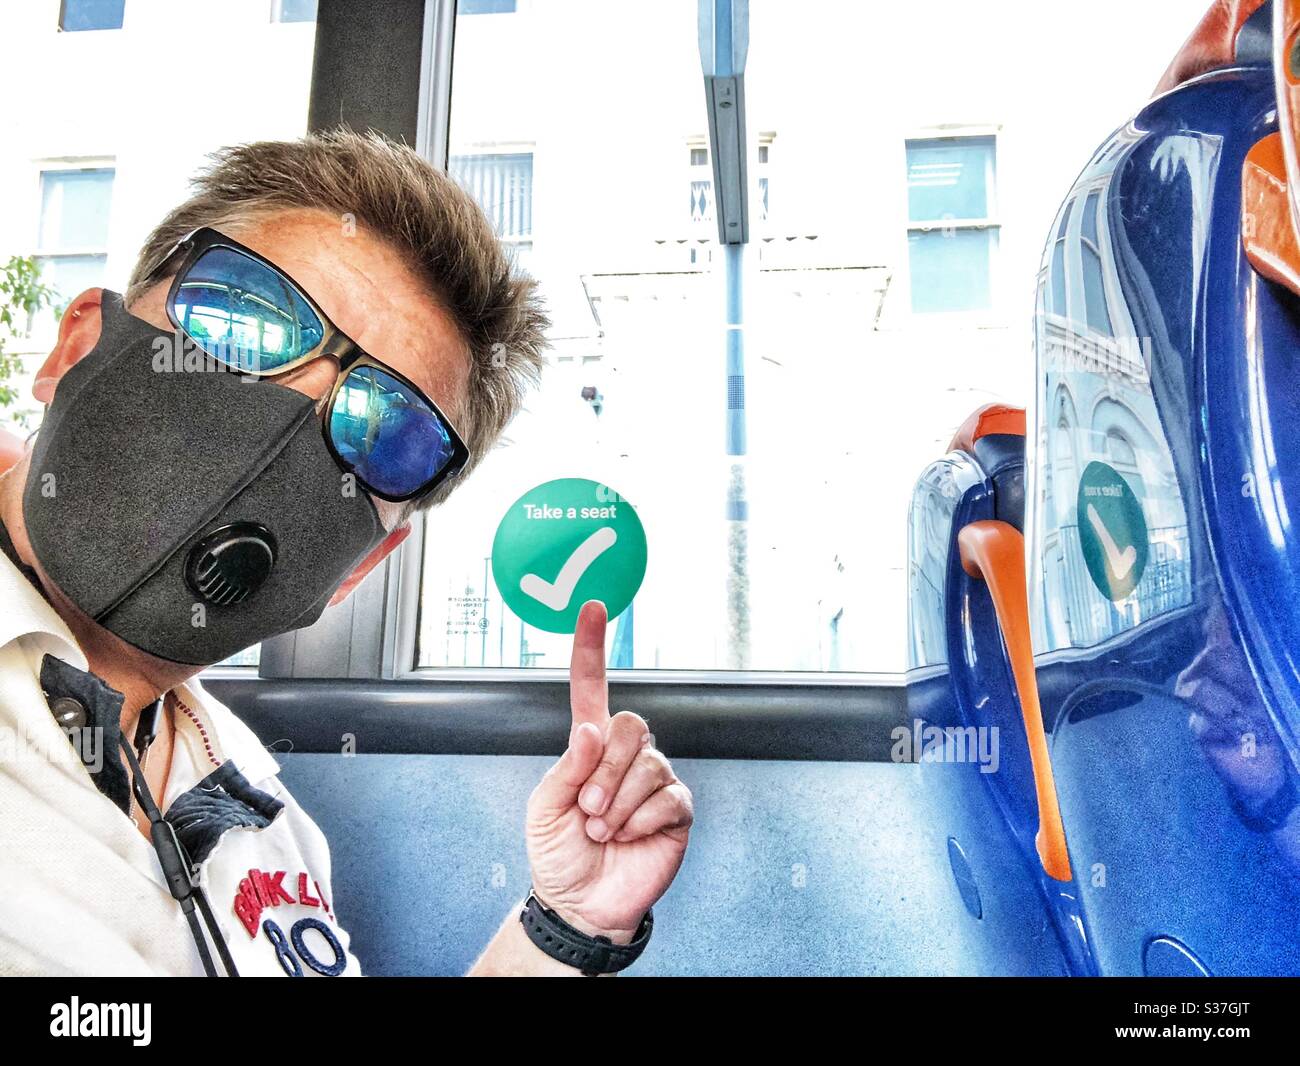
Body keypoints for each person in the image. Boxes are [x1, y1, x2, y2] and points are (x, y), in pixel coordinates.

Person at [0, 128, 693, 977]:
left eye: (386, 431)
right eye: (247, 317)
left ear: (359, 567)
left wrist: (566, 928)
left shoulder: (263, 814)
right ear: (75, 350)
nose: (286, 416)